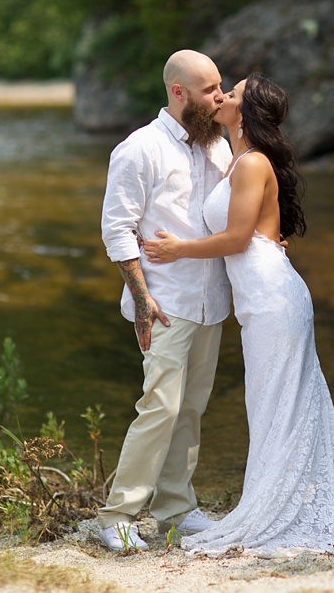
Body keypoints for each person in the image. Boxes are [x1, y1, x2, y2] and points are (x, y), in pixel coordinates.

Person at [142, 73, 334, 557]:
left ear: (245, 112)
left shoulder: (252, 163)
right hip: (261, 296)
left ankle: (275, 506)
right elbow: (252, 231)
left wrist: (178, 250)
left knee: (277, 402)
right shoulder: (236, 159)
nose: (221, 97)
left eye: (231, 94)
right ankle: (278, 500)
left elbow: (238, 239)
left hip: (272, 298)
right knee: (270, 403)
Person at [97, 49, 233, 551]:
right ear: (178, 92)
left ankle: (178, 510)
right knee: (160, 406)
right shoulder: (140, 149)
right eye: (209, 90)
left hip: (210, 302)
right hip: (164, 303)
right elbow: (118, 229)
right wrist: (142, 299)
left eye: (221, 88)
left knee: (191, 409)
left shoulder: (216, 147)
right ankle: (118, 515)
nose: (219, 97)